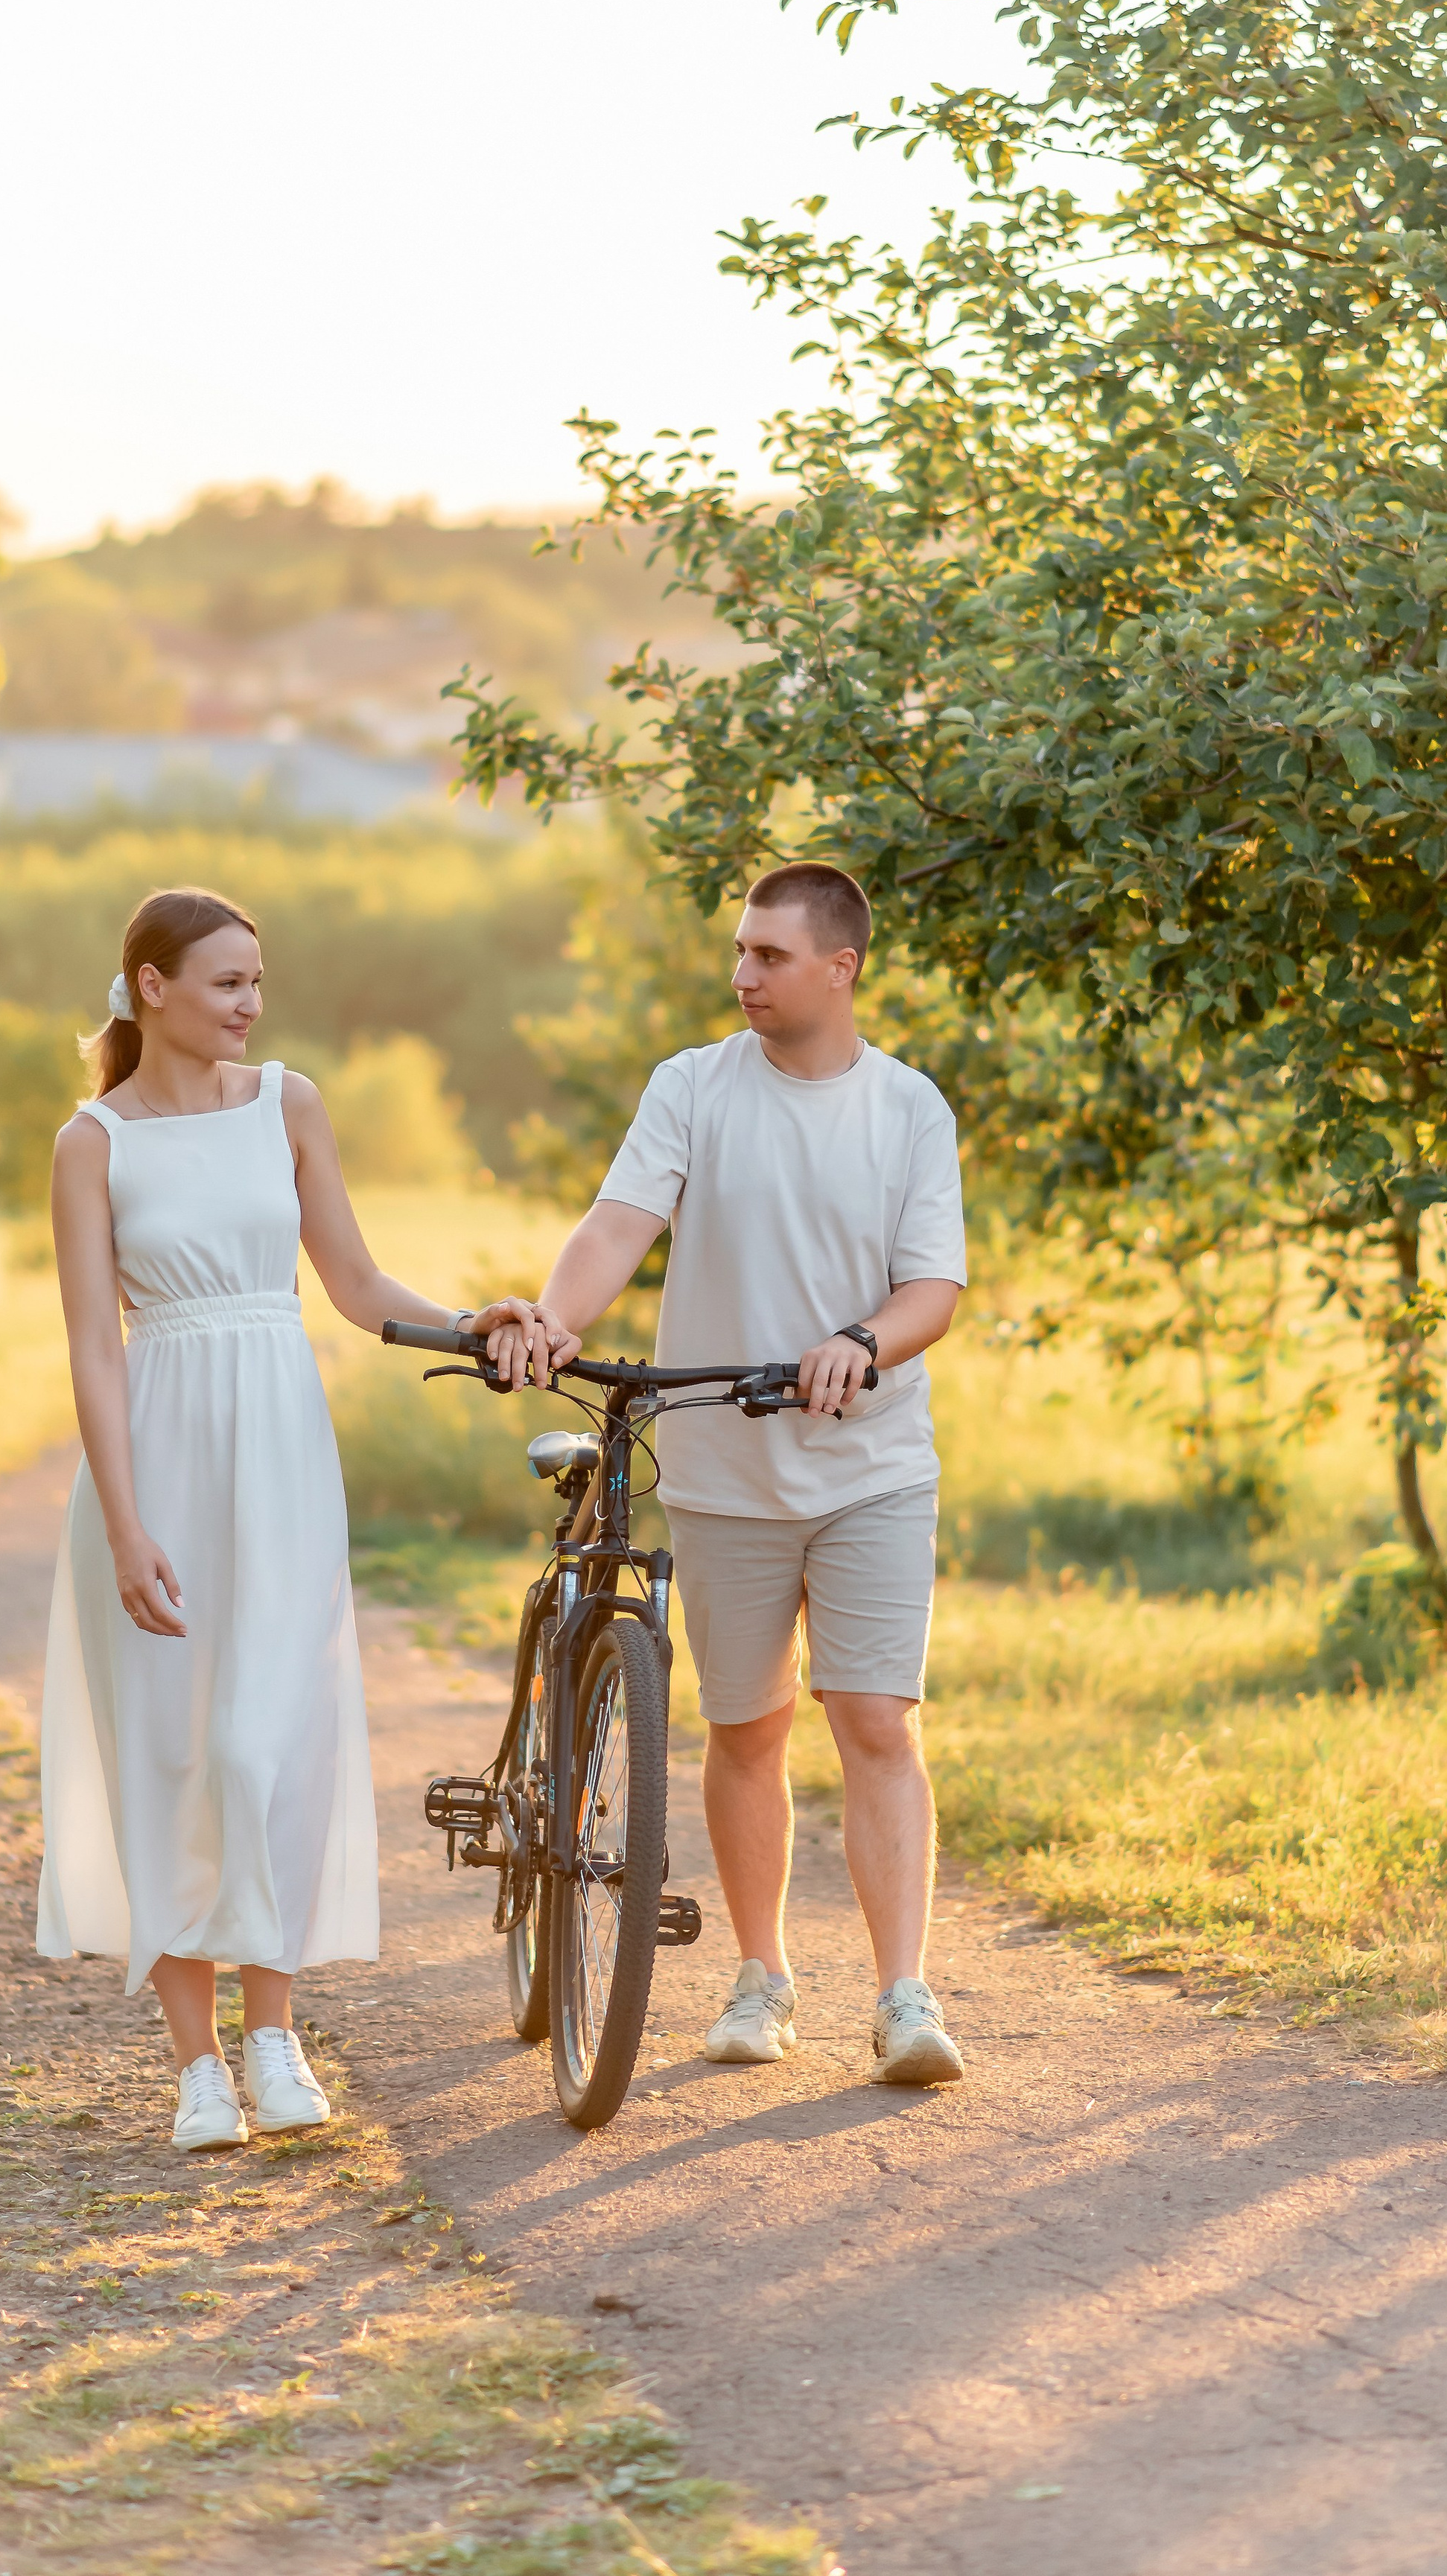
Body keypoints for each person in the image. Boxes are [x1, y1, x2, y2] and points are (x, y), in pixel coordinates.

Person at [39, 884, 543, 2151]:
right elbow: (95, 1353)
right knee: (173, 1749)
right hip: (156, 1453)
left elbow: (359, 1284)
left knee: (272, 1745)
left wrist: (467, 1326)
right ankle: (197, 2064)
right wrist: (122, 1523)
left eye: (258, 981)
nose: (251, 1004)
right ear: (151, 987)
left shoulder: (289, 1105)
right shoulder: (91, 1143)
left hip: (278, 1450)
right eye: (226, 983)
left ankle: (276, 2036)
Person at [527, 861, 969, 2086]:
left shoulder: (908, 1110)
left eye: (769, 956)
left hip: (872, 1465)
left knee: (876, 1718)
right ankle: (763, 1980)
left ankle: (902, 2000)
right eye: (738, 952)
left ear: (842, 967)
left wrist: (859, 1345)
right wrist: (561, 1318)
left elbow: (932, 1289)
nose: (742, 975)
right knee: (747, 1727)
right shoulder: (694, 1086)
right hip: (725, 1468)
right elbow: (619, 1221)